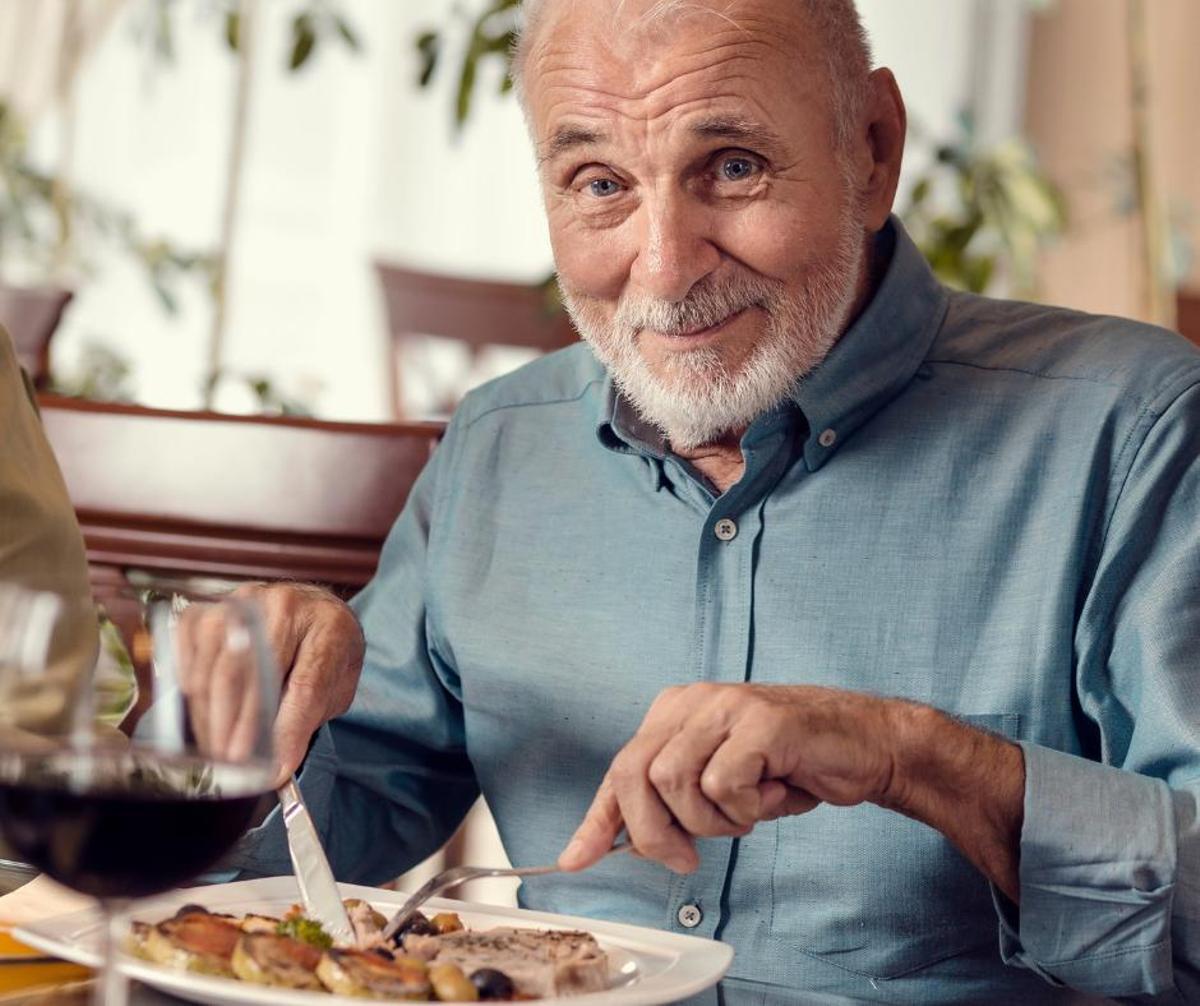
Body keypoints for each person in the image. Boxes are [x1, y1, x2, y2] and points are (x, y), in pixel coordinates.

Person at [230, 0, 1200, 1000]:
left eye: (733, 166)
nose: (665, 265)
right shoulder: (497, 443)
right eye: (600, 183)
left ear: (872, 148)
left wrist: (915, 756)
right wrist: (245, 727)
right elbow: (303, 847)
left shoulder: (1133, 430)